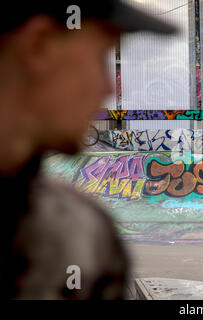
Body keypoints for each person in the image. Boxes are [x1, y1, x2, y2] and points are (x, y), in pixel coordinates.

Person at [0, 1, 177, 299]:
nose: (107, 88)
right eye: (100, 57)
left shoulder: (85, 234)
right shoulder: (79, 238)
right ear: (39, 45)